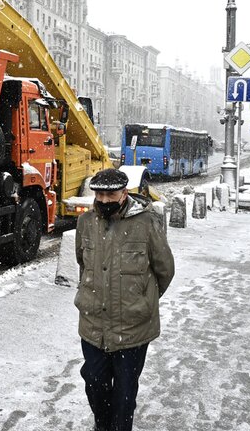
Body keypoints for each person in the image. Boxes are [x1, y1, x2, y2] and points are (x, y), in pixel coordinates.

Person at [75, 168, 175, 431]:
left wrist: (142, 299)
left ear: (124, 192)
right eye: (100, 194)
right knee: (95, 382)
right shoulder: (85, 223)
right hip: (93, 325)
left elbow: (165, 270)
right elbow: (82, 264)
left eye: (111, 194)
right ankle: (103, 425)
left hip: (132, 328)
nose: (105, 200)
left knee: (124, 394)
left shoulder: (146, 223)